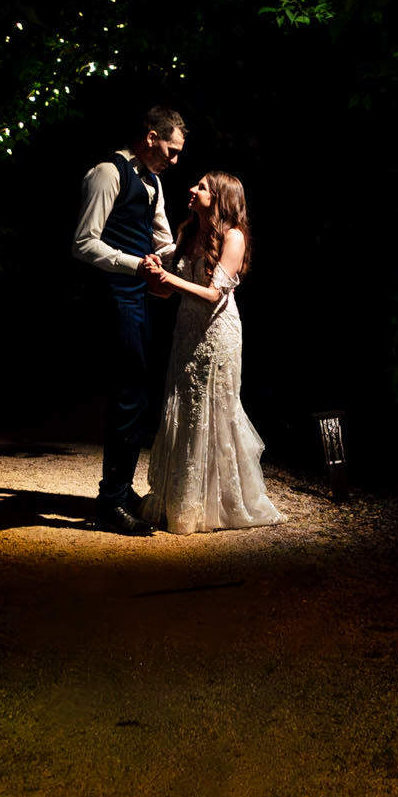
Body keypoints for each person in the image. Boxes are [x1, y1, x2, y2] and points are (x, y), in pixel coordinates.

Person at [137, 172, 283, 534]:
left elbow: (214, 294)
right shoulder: (188, 234)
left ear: (219, 197)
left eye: (202, 187)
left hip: (217, 334)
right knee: (184, 408)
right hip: (186, 331)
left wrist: (170, 280)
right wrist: (155, 276)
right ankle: (180, 498)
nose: (192, 189)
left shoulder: (234, 237)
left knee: (213, 409)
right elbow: (168, 293)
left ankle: (220, 502)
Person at [69, 107, 185, 533]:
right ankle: (112, 501)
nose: (175, 161)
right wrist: (136, 265)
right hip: (112, 295)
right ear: (150, 137)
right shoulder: (107, 172)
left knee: (136, 394)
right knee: (127, 394)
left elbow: (164, 243)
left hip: (136, 296)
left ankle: (118, 490)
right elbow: (84, 243)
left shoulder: (153, 183)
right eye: (171, 151)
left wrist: (199, 238)